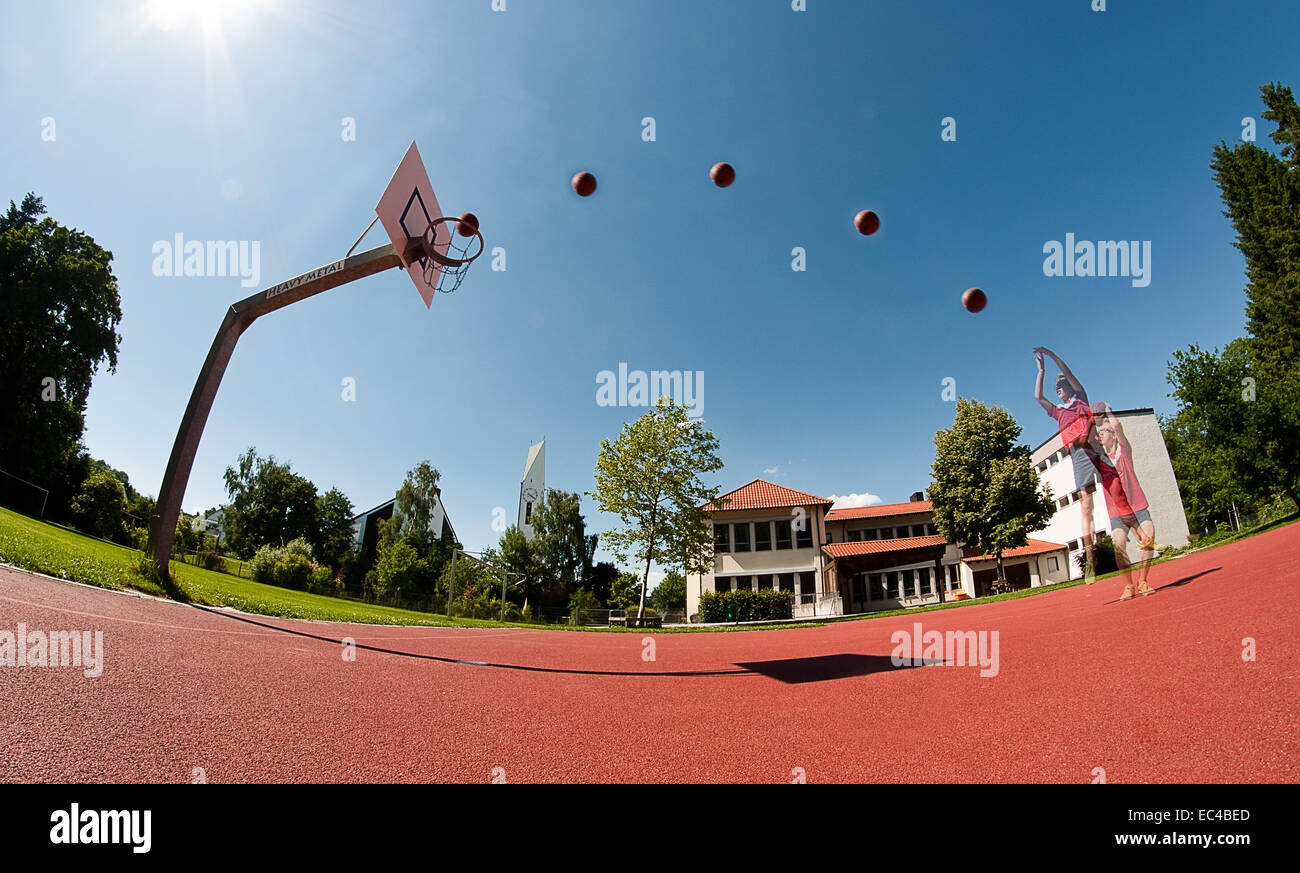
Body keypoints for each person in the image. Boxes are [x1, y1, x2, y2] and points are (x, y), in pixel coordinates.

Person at [1033, 347, 1105, 582]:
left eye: (1061, 387)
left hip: (1093, 446)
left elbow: (1068, 373)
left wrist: (1052, 357)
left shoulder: (1080, 398)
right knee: (1085, 504)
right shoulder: (1057, 411)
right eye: (1057, 389)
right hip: (1077, 453)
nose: (1058, 391)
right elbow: (1038, 397)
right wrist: (1041, 370)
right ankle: (1091, 560)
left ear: (1069, 389)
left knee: (1118, 490)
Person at [1092, 402, 1157, 599]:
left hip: (1137, 506)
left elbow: (1118, 426)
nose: (1101, 434)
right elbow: (1085, 440)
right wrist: (1092, 419)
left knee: (1149, 539)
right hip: (1117, 513)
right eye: (1100, 432)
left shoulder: (1124, 452)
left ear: (1112, 434)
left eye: (1105, 431)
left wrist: (1108, 411)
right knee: (1119, 546)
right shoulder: (1099, 460)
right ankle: (1128, 586)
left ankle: (1143, 581)